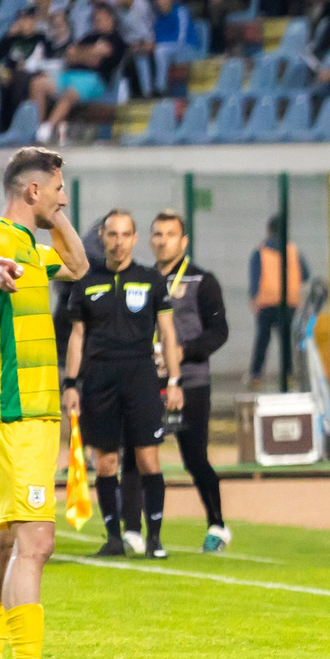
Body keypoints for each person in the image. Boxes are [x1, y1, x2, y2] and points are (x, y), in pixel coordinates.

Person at [0, 145, 91, 659]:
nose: (66, 197)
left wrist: (55, 212)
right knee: (36, 542)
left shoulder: (33, 247)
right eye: (59, 188)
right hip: (19, 411)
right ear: (32, 191)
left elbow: (81, 265)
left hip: (16, 412)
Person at [61, 210, 182, 559]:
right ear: (102, 237)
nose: (118, 241)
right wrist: (71, 383)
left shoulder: (150, 280)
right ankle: (114, 538)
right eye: (112, 234)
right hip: (99, 379)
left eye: (125, 234)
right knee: (106, 463)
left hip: (141, 375)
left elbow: (168, 332)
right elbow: (77, 336)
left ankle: (154, 537)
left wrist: (174, 380)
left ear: (134, 238)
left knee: (148, 458)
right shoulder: (86, 282)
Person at [149, 209, 232, 552]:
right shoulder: (142, 278)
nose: (163, 240)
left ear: (183, 241)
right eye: (157, 234)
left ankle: (217, 525)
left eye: (170, 234)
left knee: (194, 457)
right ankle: (138, 533)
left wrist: (183, 353)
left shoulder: (202, 281)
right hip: (146, 383)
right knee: (139, 456)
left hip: (191, 383)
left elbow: (219, 331)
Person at [246, 216, 307, 388]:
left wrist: (253, 297)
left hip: (266, 303)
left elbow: (255, 276)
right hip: (289, 304)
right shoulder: (294, 251)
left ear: (269, 230)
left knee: (262, 341)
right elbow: (306, 274)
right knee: (286, 342)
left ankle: (256, 376)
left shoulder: (260, 251)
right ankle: (288, 375)